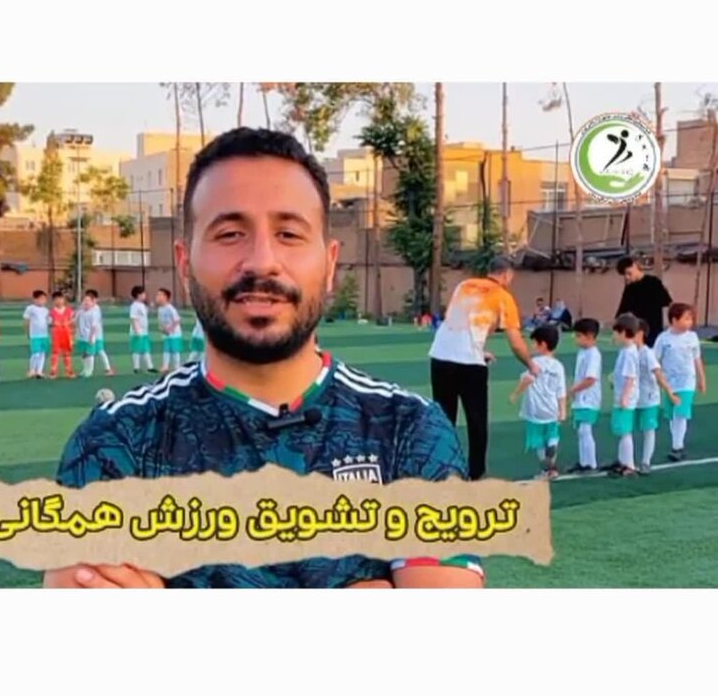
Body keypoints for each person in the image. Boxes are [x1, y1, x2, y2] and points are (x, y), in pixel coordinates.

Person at [45, 127, 477, 589]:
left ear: (330, 264)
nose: (261, 261)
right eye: (230, 234)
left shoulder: (409, 431)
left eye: (289, 234)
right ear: (185, 263)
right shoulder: (117, 442)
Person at [428, 255, 538, 480]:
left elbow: (457, 324)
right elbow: (515, 342)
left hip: (440, 356)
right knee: (476, 420)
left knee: (444, 418)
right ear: (506, 274)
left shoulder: (464, 286)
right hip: (469, 364)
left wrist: (479, 350)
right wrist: (531, 364)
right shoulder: (503, 297)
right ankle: (476, 473)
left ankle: (442, 469)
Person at [509, 325, 567, 480]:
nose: (532, 346)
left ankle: (545, 470)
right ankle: (553, 463)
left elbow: (527, 379)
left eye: (534, 343)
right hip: (552, 409)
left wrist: (515, 394)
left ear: (543, 344)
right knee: (552, 435)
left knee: (538, 441)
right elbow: (561, 390)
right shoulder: (558, 366)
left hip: (535, 409)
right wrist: (562, 410)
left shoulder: (534, 363)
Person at [653, 302, 707, 462]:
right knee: (671, 414)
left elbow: (697, 358)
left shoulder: (692, 337)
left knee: (681, 412)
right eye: (686, 319)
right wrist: (657, 379)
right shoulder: (663, 339)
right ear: (674, 320)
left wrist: (701, 378)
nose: (690, 322)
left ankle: (677, 446)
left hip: (687, 381)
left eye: (691, 319)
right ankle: (676, 442)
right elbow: (655, 359)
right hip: (669, 382)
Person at [635, 319, 676, 475]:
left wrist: (669, 392)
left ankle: (646, 462)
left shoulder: (647, 353)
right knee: (628, 430)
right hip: (633, 398)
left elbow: (658, 374)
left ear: (640, 334)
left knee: (648, 429)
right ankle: (627, 461)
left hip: (649, 398)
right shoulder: (629, 352)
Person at [567, 318, 602, 473]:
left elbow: (590, 379)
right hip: (581, 398)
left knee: (585, 430)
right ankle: (583, 461)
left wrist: (572, 390)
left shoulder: (593, 355)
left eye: (578, 336)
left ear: (589, 336)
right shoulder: (583, 352)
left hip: (589, 398)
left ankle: (591, 463)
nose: (576, 339)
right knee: (581, 430)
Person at [616, 256, 672, 346]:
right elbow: (622, 310)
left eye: (629, 273)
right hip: (636, 332)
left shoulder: (654, 282)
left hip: (654, 330)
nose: (627, 277)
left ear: (634, 266)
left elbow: (666, 302)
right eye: (625, 275)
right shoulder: (630, 289)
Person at [610, 314, 641, 477]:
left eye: (616, 332)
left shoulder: (629, 353)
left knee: (625, 431)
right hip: (622, 394)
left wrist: (625, 397)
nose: (614, 336)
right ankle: (623, 461)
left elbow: (630, 377)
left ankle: (629, 465)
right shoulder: (626, 351)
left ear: (623, 332)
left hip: (626, 398)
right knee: (622, 431)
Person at [86, 289, 115, 376]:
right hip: (91, 334)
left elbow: (94, 324)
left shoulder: (96, 308)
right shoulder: (89, 308)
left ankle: (107, 369)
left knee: (99, 351)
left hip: (97, 335)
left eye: (91, 299)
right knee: (91, 352)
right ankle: (89, 369)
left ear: (95, 299)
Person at [23, 290, 51, 379]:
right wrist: (28, 332)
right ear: (35, 299)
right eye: (41, 299)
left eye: (44, 299)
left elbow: (48, 321)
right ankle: (32, 370)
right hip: (35, 335)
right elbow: (27, 321)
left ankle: (39, 371)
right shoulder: (30, 308)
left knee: (42, 353)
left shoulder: (46, 310)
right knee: (36, 353)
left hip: (44, 335)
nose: (43, 301)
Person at [129, 285, 157, 374]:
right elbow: (133, 319)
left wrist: (151, 307)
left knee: (146, 349)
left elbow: (146, 313)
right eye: (143, 294)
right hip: (137, 332)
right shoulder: (134, 306)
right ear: (138, 295)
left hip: (144, 332)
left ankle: (150, 367)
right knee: (136, 350)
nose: (145, 295)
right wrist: (137, 330)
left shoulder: (142, 305)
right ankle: (136, 367)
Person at [49, 290, 76, 379]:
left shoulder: (69, 311)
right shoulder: (52, 312)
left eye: (60, 299)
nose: (59, 301)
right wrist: (54, 323)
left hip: (67, 334)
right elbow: (49, 323)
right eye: (56, 299)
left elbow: (73, 322)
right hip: (56, 335)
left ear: (63, 299)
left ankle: (69, 371)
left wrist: (71, 331)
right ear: (53, 301)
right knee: (55, 353)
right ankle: (53, 371)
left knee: (67, 353)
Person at [156, 287, 183, 372]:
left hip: (174, 334)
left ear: (165, 297)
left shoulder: (170, 308)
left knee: (175, 350)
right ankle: (165, 366)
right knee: (166, 350)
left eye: (160, 295)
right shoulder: (160, 309)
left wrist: (170, 329)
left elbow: (177, 320)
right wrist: (162, 328)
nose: (157, 297)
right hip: (166, 333)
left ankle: (177, 367)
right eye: (157, 295)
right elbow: (160, 321)